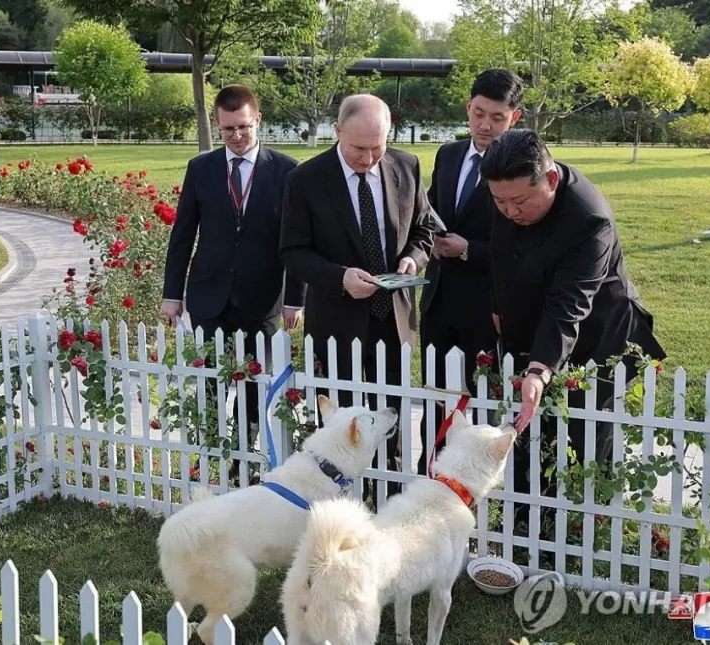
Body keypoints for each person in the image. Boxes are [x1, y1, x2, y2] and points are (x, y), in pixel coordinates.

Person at [481, 128, 666, 527]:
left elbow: (569, 306)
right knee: (529, 434)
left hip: (597, 340)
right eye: (499, 201)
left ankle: (582, 529)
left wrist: (539, 369)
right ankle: (525, 526)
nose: (509, 211)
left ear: (549, 180)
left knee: (586, 440)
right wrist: (500, 306)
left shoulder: (588, 220)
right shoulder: (507, 191)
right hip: (533, 328)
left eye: (519, 201)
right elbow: (500, 254)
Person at [279, 94, 434, 498]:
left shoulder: (406, 165)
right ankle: (341, 503)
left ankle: (389, 501)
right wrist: (339, 276)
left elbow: (424, 230)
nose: (368, 158)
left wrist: (413, 261)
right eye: (359, 148)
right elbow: (293, 253)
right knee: (341, 425)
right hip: (336, 322)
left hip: (393, 319)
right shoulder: (305, 180)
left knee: (391, 419)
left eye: (376, 147)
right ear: (338, 131)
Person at [161, 84, 305, 471]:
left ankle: (244, 460)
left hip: (262, 299)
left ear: (257, 120)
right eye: (228, 130)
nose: (237, 137)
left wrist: (295, 299)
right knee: (210, 383)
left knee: (255, 388)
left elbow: (299, 242)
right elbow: (183, 234)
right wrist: (171, 293)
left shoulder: (289, 171)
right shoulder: (201, 169)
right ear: (217, 127)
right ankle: (210, 457)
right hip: (209, 296)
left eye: (244, 127)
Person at [416, 69, 524, 475]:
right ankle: (432, 474)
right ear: (468, 107)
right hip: (439, 301)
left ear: (515, 117)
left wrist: (468, 251)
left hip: (488, 304)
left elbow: (523, 241)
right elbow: (428, 211)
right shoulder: (448, 155)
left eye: (497, 117)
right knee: (437, 399)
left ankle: (478, 484)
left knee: (481, 405)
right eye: (479, 113)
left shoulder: (521, 164)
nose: (485, 125)